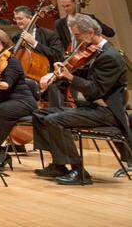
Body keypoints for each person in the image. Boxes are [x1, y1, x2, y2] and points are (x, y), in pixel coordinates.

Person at [32, 13, 131, 185]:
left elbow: (95, 90)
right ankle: (59, 164)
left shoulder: (110, 56)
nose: (75, 39)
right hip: (92, 107)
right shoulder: (96, 52)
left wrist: (70, 77)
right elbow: (87, 75)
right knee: (40, 114)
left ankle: (79, 171)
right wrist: (60, 71)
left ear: (90, 32)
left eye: (77, 35)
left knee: (54, 120)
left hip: (106, 111)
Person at [0, 27, 38, 169]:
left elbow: (6, 84)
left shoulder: (12, 61)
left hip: (21, 101)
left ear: (3, 42)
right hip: (1, 101)